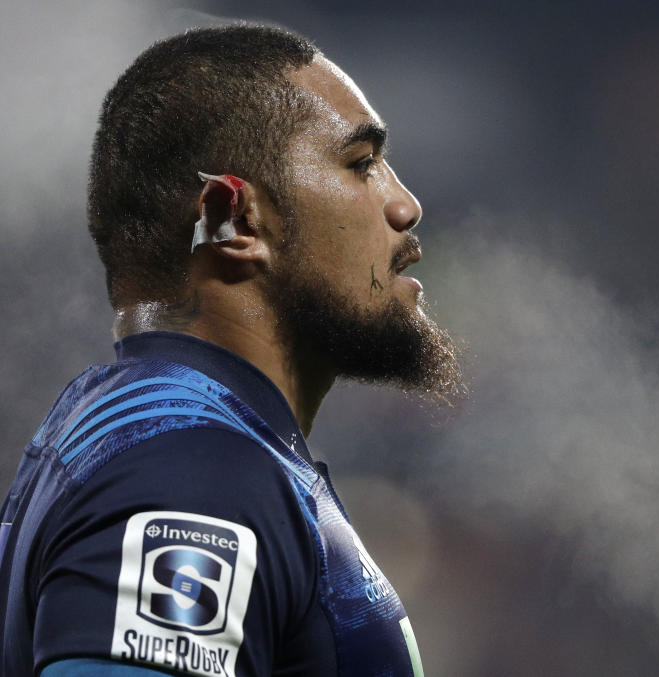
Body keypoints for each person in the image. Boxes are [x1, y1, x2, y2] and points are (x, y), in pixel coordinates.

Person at [0, 23, 463, 677]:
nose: (405, 205)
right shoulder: (187, 466)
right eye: (361, 164)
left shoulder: (156, 435)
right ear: (234, 220)